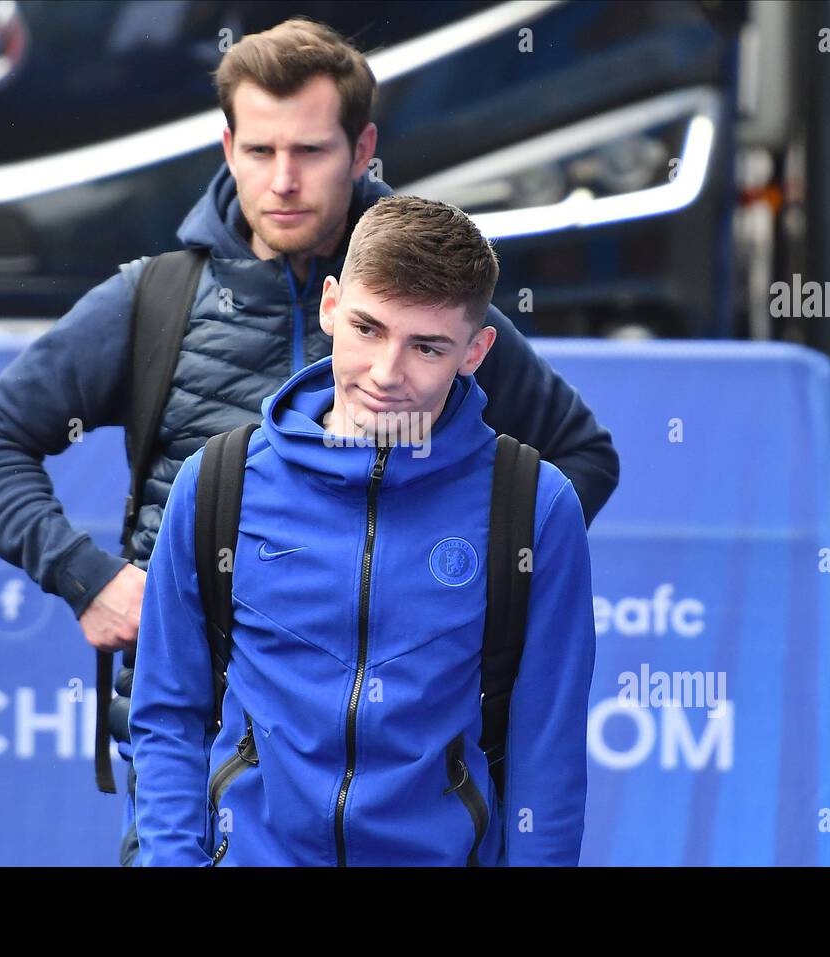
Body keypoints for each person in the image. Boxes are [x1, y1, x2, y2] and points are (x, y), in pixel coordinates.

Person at [0, 17, 617, 866]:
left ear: (363, 148)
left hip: (410, 789)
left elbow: (575, 461)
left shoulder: (429, 296)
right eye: (259, 151)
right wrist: (92, 581)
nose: (284, 180)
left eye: (310, 151)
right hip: (201, 755)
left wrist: (467, 580)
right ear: (226, 147)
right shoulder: (155, 300)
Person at [129, 195, 596, 866]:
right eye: (368, 328)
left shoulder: (535, 505)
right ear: (329, 306)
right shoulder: (217, 482)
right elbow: (168, 714)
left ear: (477, 349)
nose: (385, 373)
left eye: (426, 346)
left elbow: (547, 759)